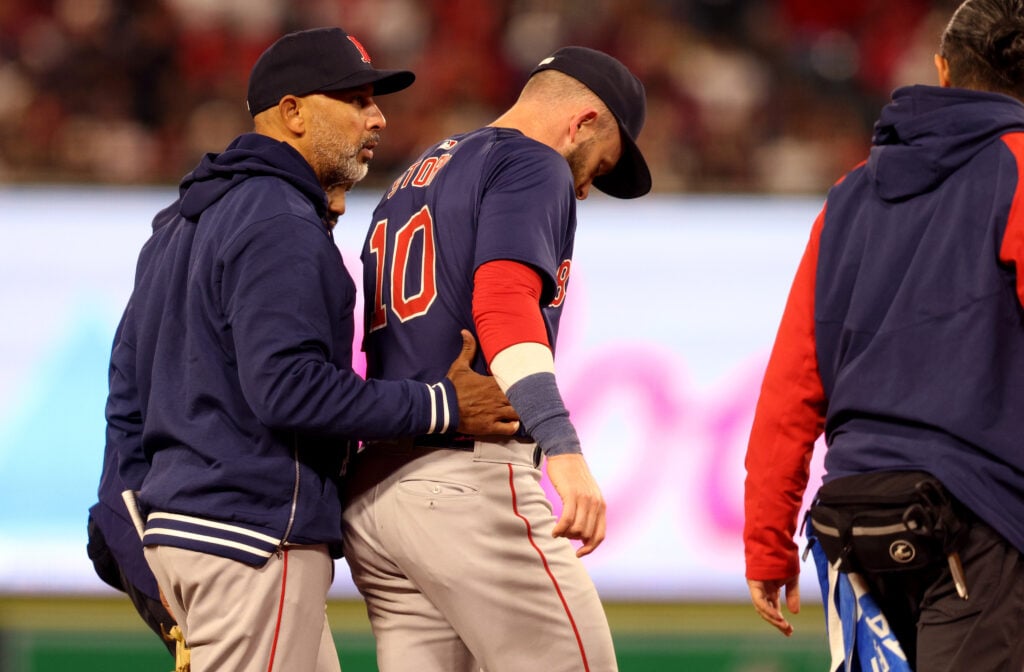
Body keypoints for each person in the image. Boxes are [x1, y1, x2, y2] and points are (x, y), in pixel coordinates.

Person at [101, 26, 518, 672]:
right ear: (292, 112)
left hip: (188, 538)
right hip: (250, 537)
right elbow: (289, 388)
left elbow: (126, 402)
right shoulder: (277, 218)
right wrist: (442, 405)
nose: (377, 118)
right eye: (355, 100)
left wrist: (128, 533)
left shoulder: (178, 226)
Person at [341, 46, 651, 672]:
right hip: (466, 483)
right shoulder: (534, 162)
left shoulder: (413, 175)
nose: (584, 188)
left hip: (379, 491)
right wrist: (562, 448)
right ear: (583, 122)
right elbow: (504, 306)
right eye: (597, 165)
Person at [743, 0, 1024, 669]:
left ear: (942, 69)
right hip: (982, 514)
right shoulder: (1018, 169)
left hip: (855, 523)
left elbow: (793, 379)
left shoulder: (850, 193)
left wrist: (766, 539)